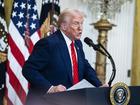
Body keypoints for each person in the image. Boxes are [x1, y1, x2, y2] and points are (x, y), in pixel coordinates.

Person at [22, 9, 103, 96]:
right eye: (76, 23)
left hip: (72, 99)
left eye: (81, 23)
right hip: (48, 100)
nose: (80, 28)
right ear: (64, 26)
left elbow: (85, 67)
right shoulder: (49, 43)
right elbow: (28, 69)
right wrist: (50, 88)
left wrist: (99, 86)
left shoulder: (78, 44)